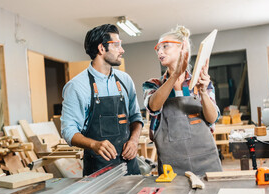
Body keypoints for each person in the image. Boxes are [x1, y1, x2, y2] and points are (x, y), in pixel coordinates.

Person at [61, 24, 143, 176]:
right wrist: (94, 144)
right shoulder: (77, 86)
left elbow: (136, 118)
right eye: (117, 45)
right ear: (101, 48)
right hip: (98, 172)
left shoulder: (125, 80)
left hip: (130, 168)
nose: (122, 50)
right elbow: (69, 131)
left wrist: (134, 140)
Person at [143, 25, 222, 176]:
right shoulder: (153, 85)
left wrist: (204, 92)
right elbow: (153, 106)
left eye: (165, 46)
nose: (160, 51)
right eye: (157, 49)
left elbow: (212, 118)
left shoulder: (201, 82)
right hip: (171, 165)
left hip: (207, 160)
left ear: (182, 48)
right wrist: (174, 76)